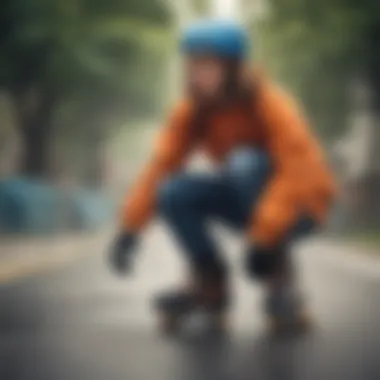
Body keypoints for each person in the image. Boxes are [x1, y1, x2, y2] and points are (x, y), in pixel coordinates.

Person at [109, 20, 336, 333]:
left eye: (207, 65)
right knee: (173, 192)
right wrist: (129, 228)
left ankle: (280, 281)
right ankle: (209, 284)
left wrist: (264, 237)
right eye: (191, 64)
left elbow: (299, 171)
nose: (196, 74)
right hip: (250, 203)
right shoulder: (193, 110)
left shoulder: (270, 102)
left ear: (232, 68)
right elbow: (159, 166)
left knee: (243, 163)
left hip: (302, 207)